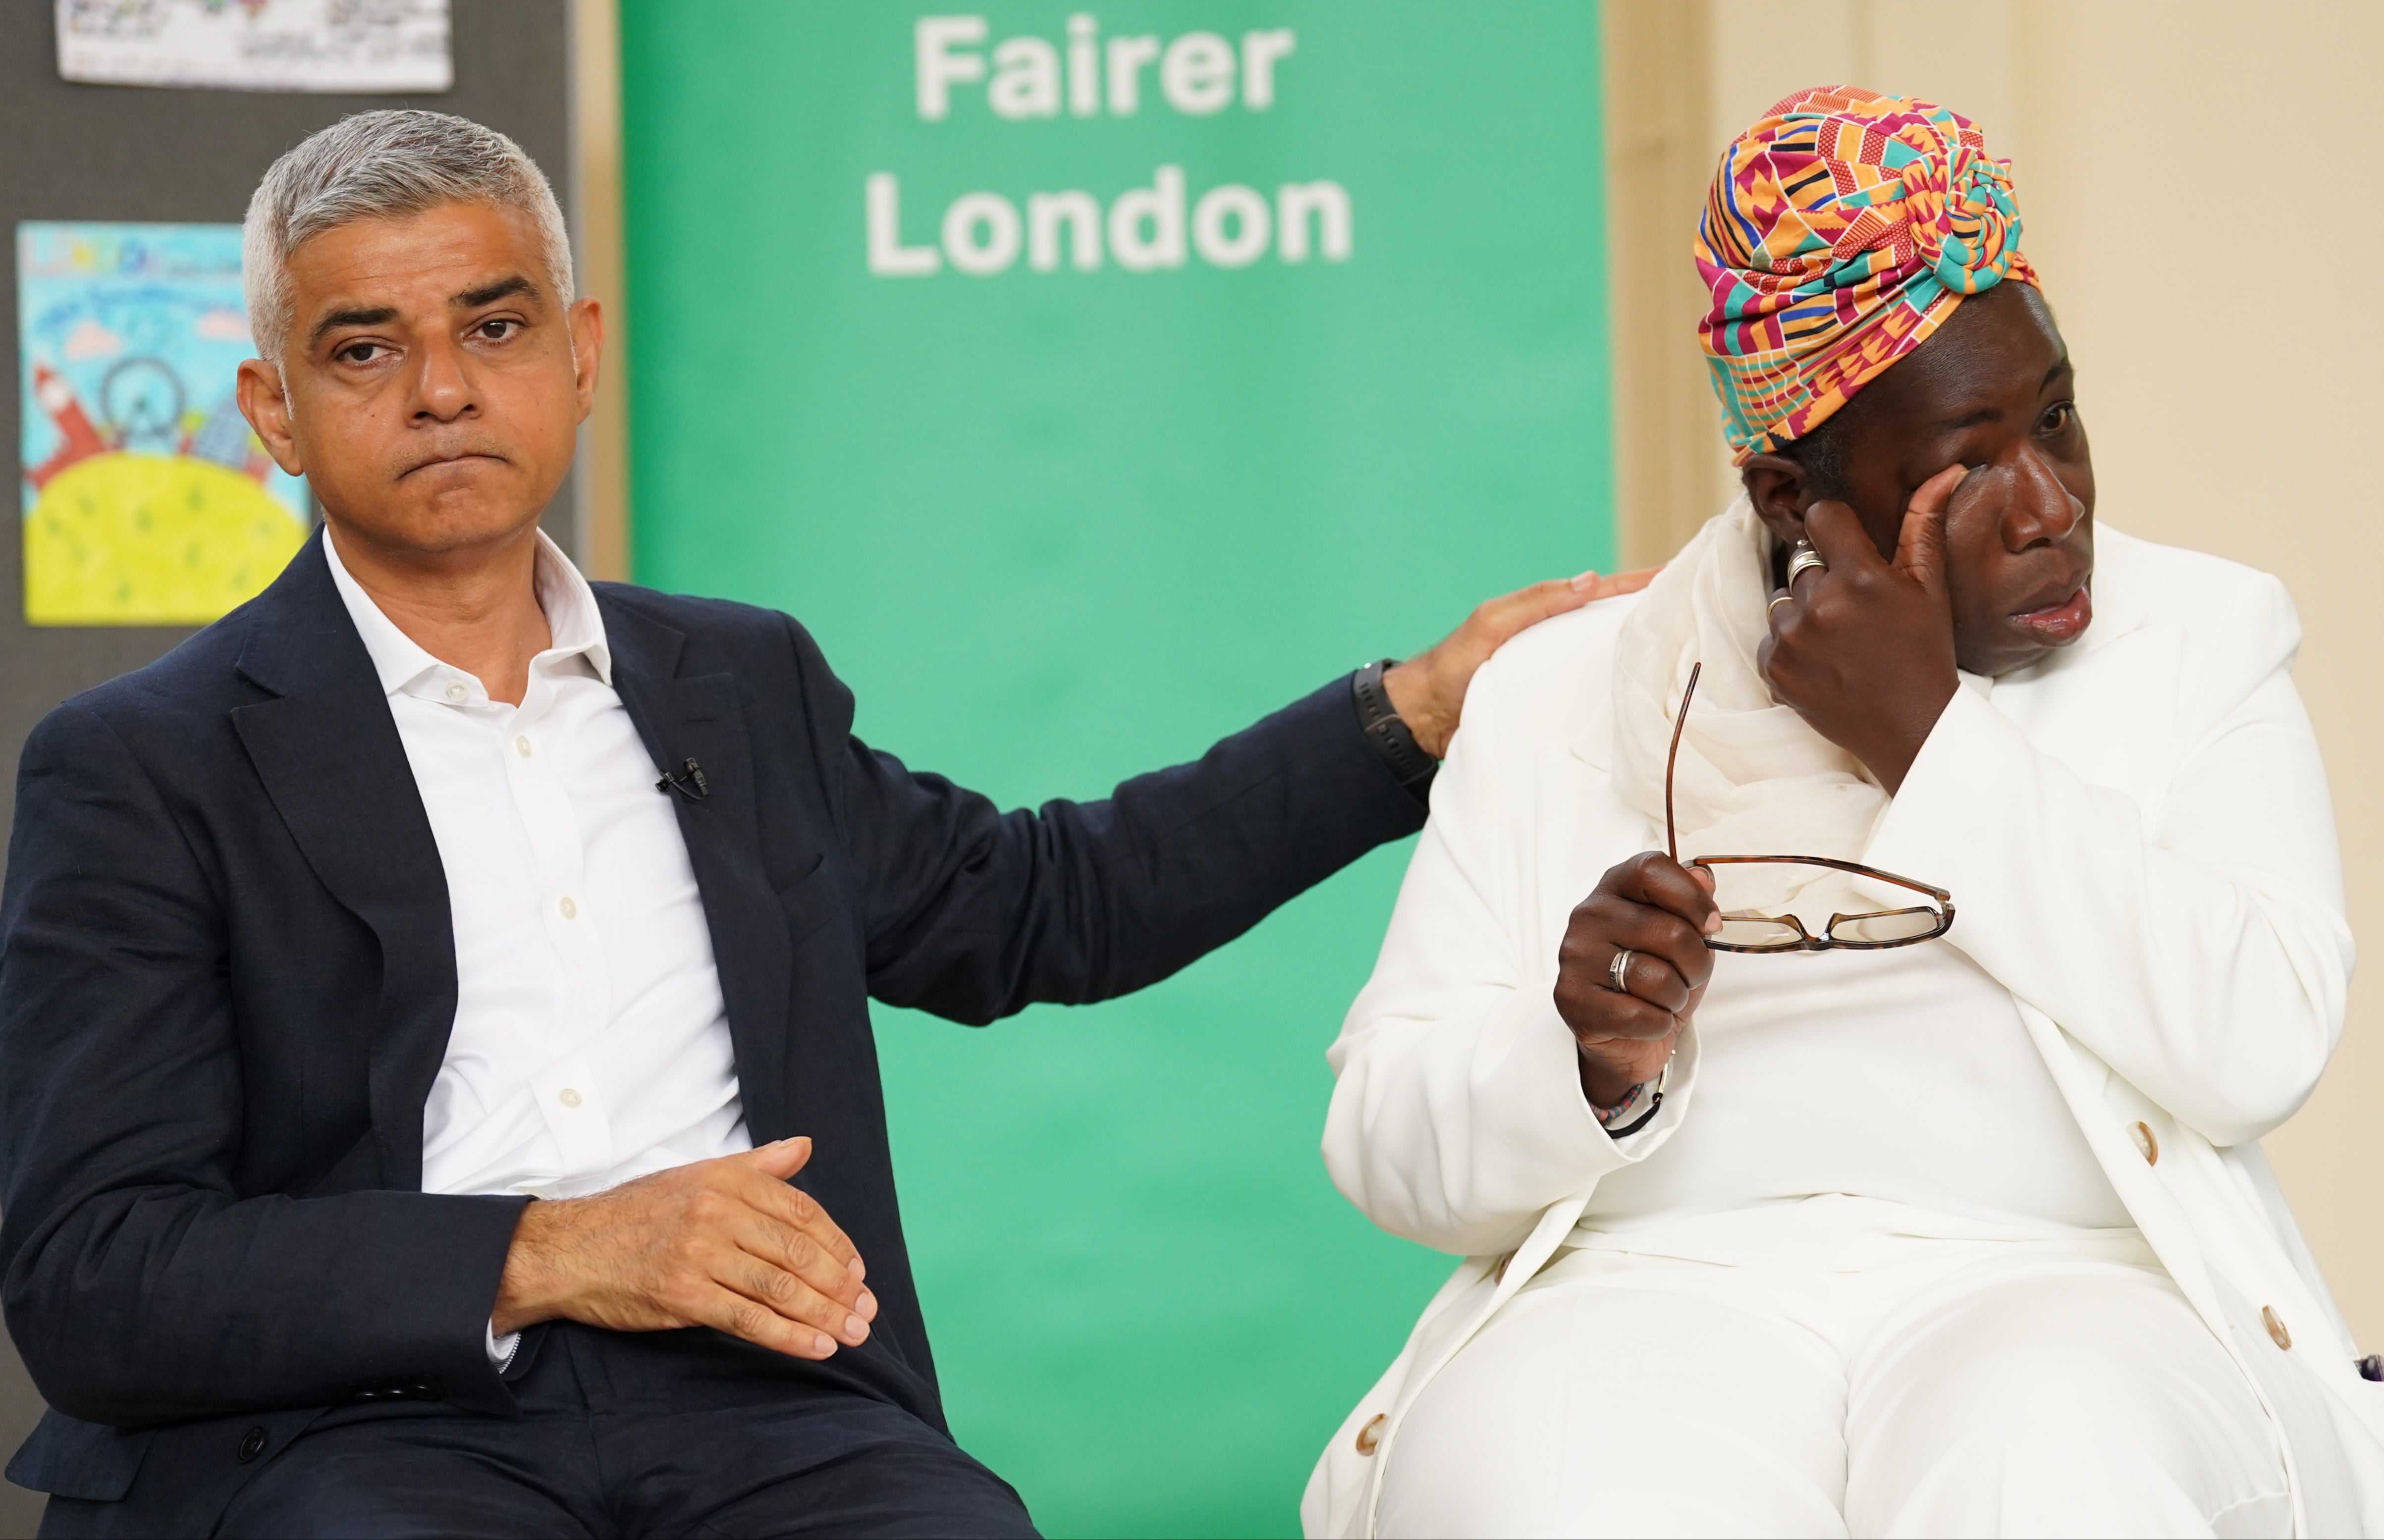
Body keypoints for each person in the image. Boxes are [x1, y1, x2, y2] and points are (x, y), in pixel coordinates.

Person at [0, 110, 1644, 1539]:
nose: (440, 389)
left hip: (757, 1406)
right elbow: (98, 1273)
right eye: (364, 348)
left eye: (492, 328)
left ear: (576, 352)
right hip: (357, 1428)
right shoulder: (141, 764)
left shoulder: (735, 678)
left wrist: (1406, 714)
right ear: (271, 409)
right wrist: (552, 1252)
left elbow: (1040, 906)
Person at [1304, 87, 2384, 1539]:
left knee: (2051, 1465)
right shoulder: (1565, 692)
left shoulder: (2199, 634)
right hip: (1656, 1289)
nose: (2049, 500)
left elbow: (2256, 1043)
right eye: (1970, 454)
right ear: (1786, 491)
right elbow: (1382, 1137)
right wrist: (1583, 1058)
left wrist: (1929, 738)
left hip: (2067, 1280)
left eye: (2055, 417)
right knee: (1544, 1489)